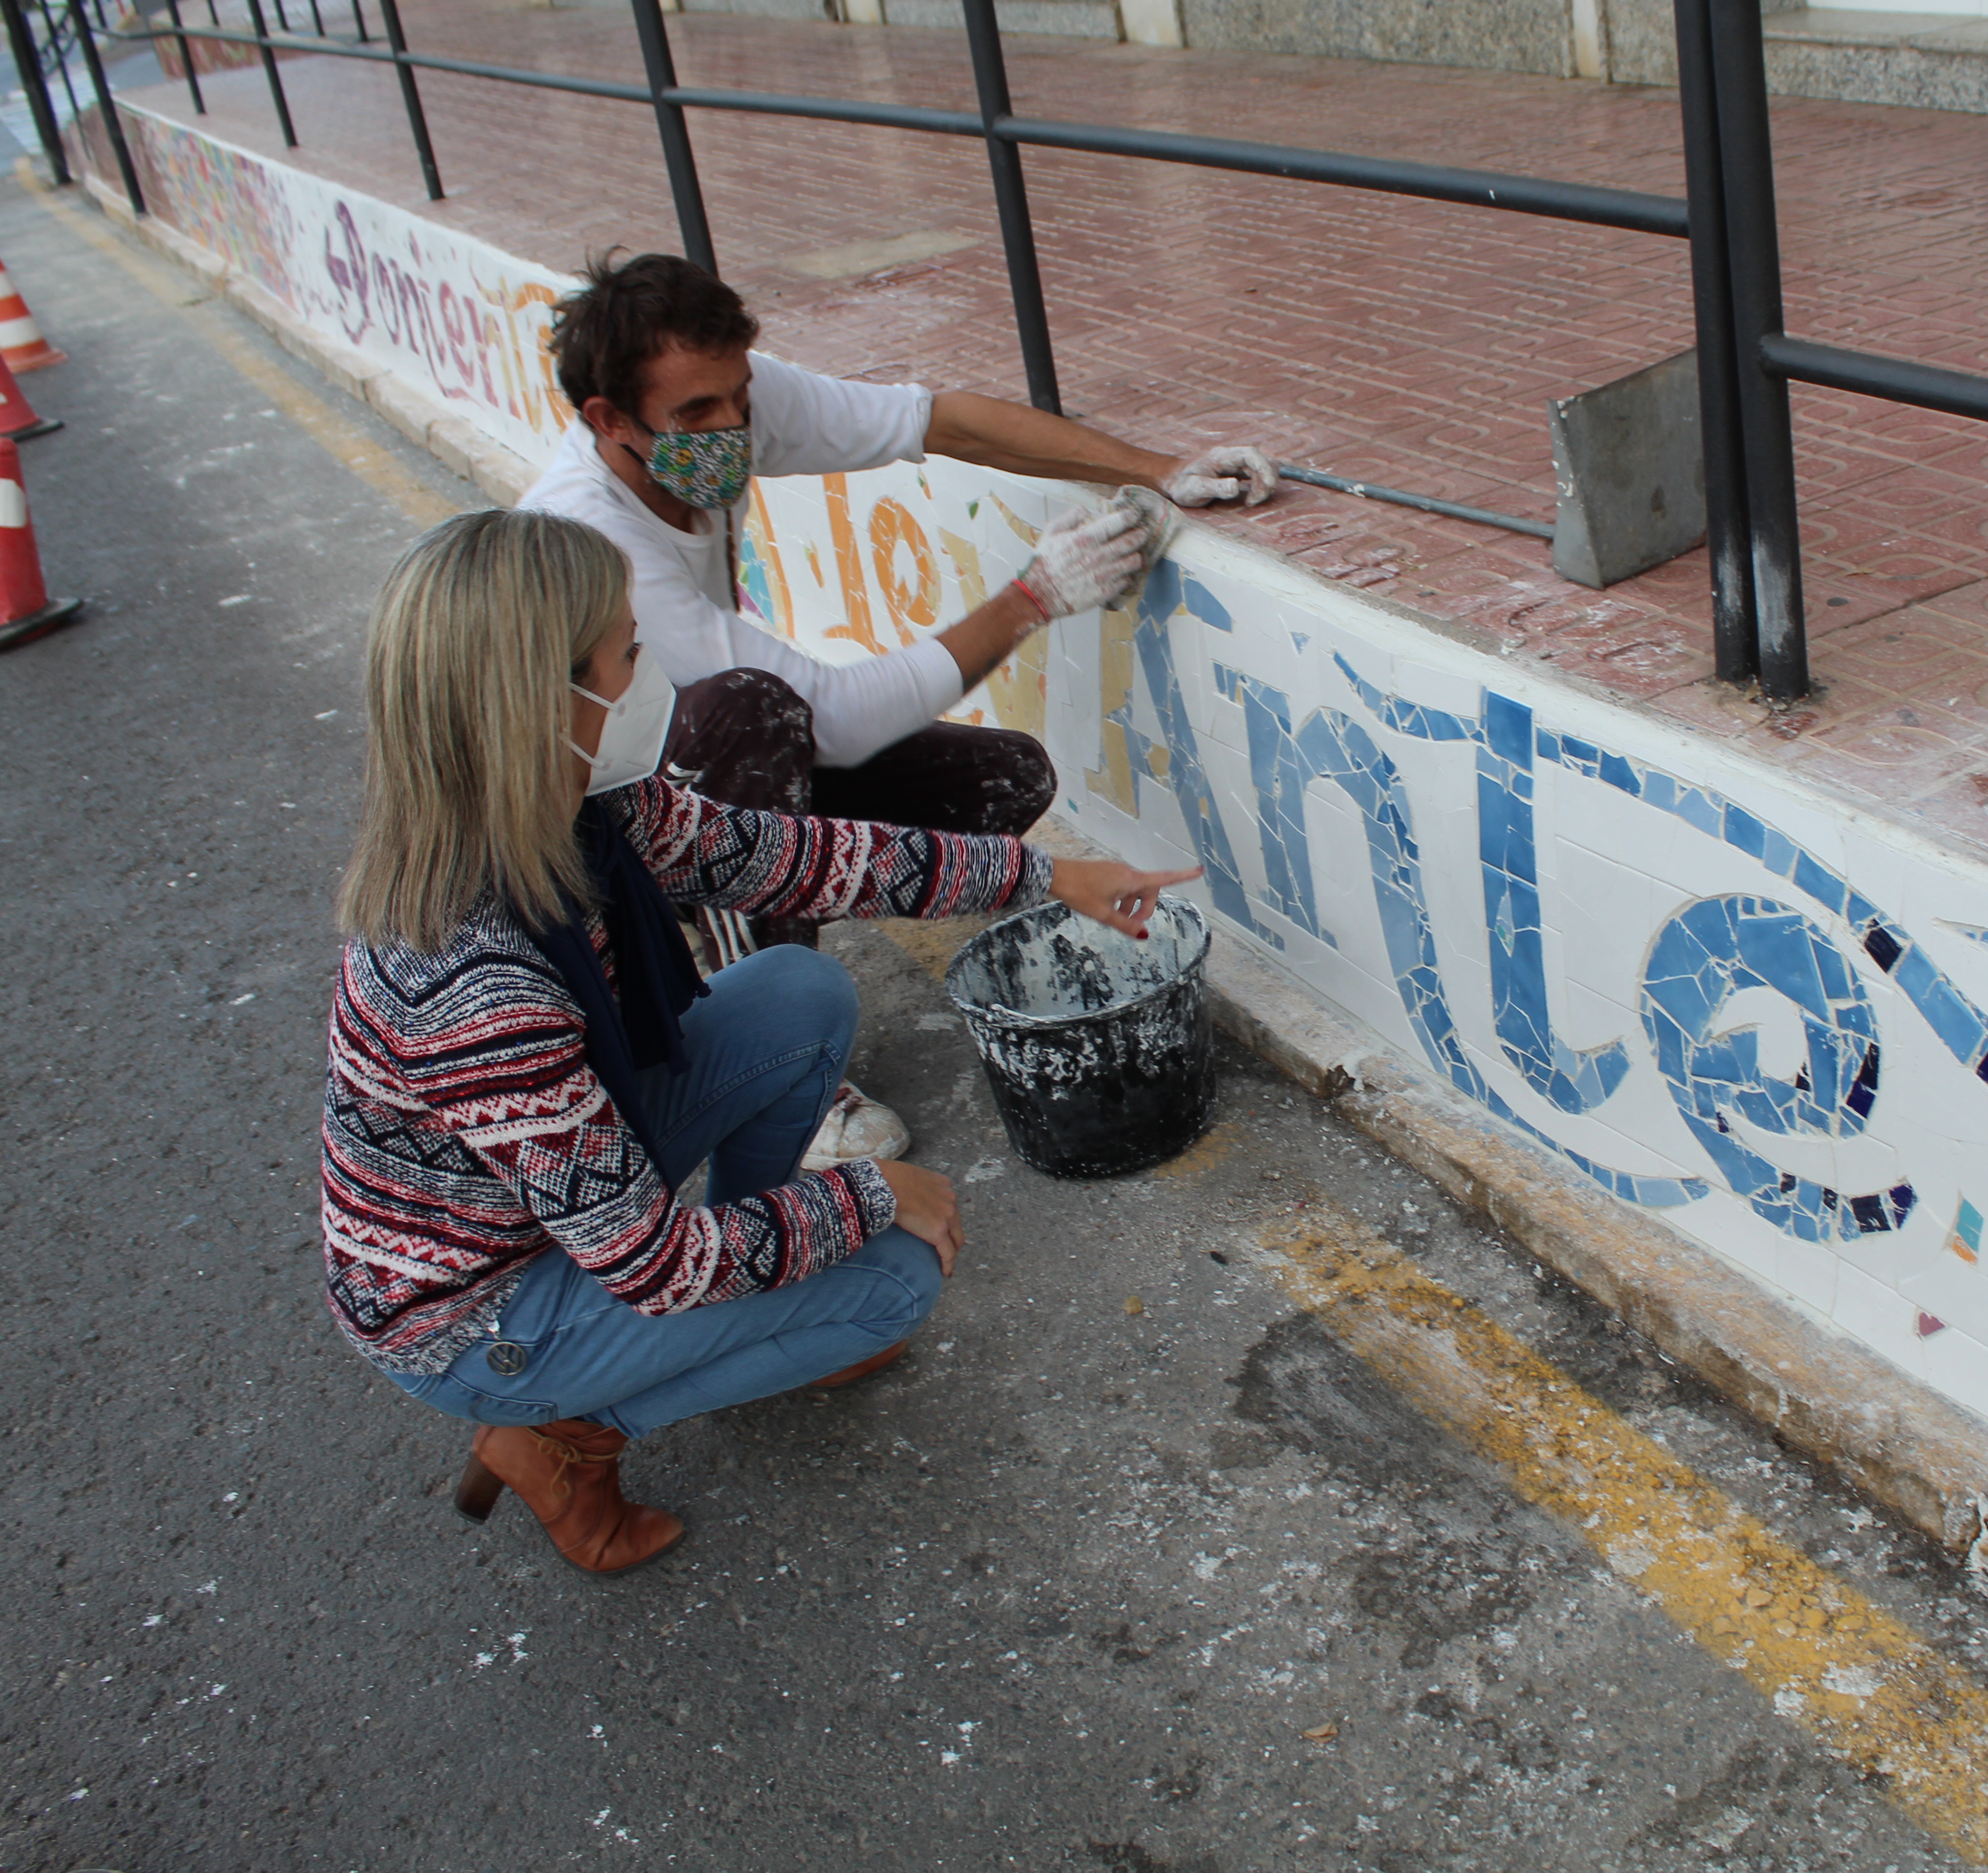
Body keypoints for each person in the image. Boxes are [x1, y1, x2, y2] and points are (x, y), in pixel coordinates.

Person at [319, 509, 1197, 1575]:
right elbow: (650, 1265)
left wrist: (1055, 876)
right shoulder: (478, 989)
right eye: (627, 654)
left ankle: (753, 1291)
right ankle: (561, 1436)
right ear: (547, 706)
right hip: (479, 1312)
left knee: (796, 990)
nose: (652, 676)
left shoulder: (582, 810)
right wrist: (872, 1197)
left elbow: (797, 860)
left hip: (554, 1206)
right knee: (895, 1281)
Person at [520, 252, 1273, 1161]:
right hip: (595, 844)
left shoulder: (727, 402)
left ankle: (758, 917)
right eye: (695, 415)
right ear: (609, 419)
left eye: (740, 400)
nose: (730, 429)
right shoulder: (598, 545)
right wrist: (1031, 599)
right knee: (748, 715)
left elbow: (938, 421)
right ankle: (773, 1070)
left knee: (1002, 782)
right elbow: (828, 717)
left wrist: (1159, 468)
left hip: (701, 799)